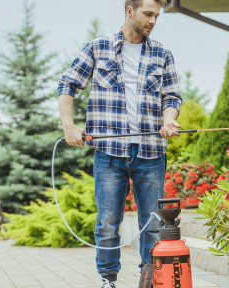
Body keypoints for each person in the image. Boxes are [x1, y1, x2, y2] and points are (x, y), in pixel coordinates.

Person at [57, 0, 181, 287]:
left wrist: (168, 120)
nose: (153, 20)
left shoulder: (163, 53)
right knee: (107, 223)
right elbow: (67, 85)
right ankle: (108, 280)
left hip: (151, 153)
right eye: (148, 14)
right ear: (130, 10)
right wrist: (69, 125)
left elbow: (171, 97)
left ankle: (150, 280)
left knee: (152, 224)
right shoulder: (97, 48)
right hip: (109, 153)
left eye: (157, 16)